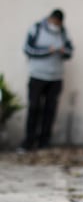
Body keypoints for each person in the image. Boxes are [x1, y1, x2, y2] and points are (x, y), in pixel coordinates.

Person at [19, 9, 73, 151]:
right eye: (54, 21)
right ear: (50, 19)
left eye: (58, 23)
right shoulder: (36, 28)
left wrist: (62, 51)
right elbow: (28, 49)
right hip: (37, 76)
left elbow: (70, 52)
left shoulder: (63, 32)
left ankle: (44, 142)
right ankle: (29, 141)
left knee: (50, 110)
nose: (56, 24)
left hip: (55, 78)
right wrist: (47, 51)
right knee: (34, 108)